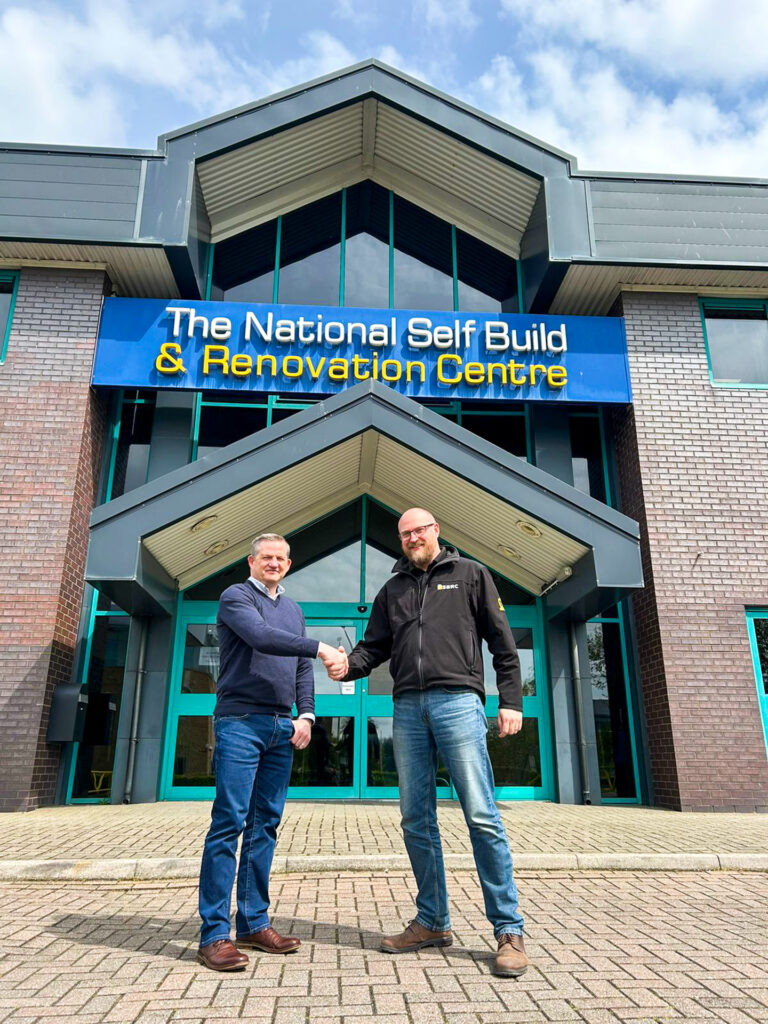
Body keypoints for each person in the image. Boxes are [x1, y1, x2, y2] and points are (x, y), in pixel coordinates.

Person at [336, 508, 530, 978]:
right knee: (415, 819)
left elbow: (502, 643)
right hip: (407, 708)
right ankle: (432, 921)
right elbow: (374, 646)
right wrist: (349, 666)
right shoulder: (393, 590)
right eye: (404, 534)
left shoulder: (470, 575)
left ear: (436, 531)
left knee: (481, 815)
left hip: (458, 704)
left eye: (419, 530)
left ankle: (508, 930)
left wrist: (511, 700)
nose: (411, 538)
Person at [197, 533, 347, 972]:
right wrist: (320, 647)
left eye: (281, 558)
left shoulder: (294, 609)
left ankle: (254, 922)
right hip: (241, 722)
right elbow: (261, 638)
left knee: (266, 826)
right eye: (267, 557)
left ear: (288, 563)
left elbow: (301, 669)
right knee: (229, 822)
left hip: (284, 727)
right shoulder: (235, 596)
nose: (274, 563)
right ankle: (213, 935)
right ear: (252, 560)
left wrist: (308, 716)